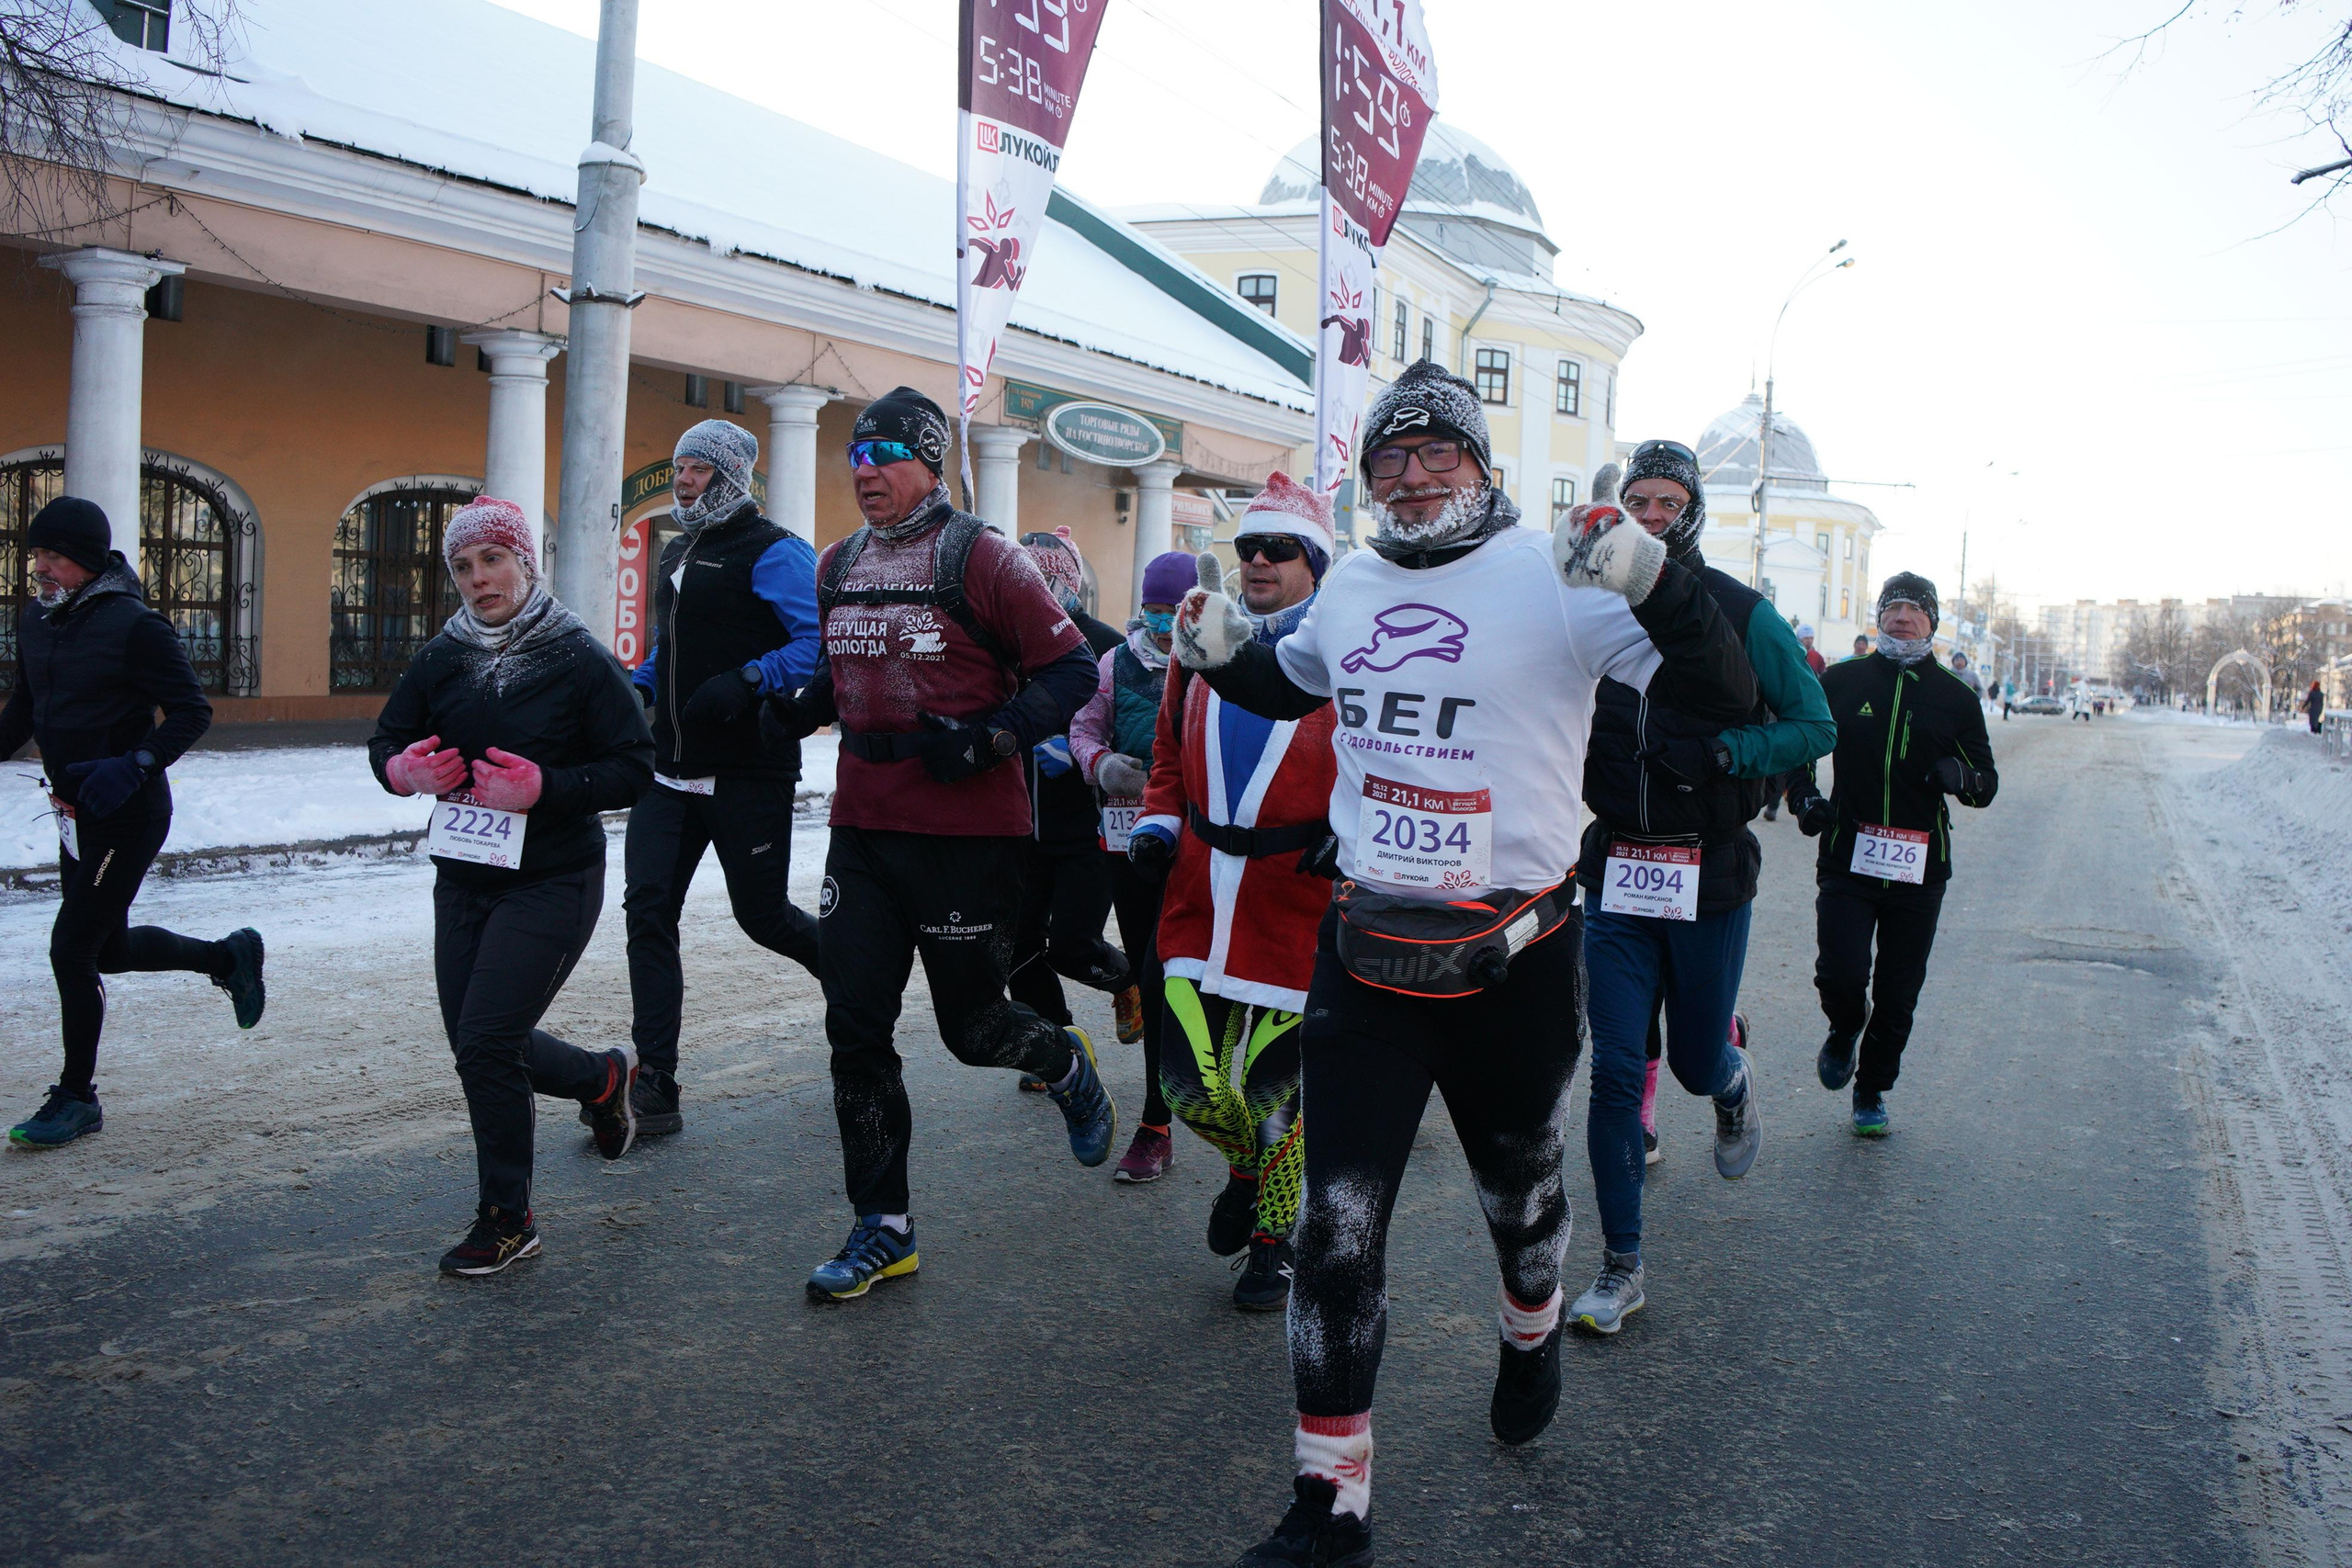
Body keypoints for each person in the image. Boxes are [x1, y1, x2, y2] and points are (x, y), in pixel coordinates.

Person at [1176, 361, 1758, 1564]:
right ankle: (1329, 1498)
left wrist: (1654, 576)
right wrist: (1220, 642)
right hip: (1368, 956)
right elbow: (1283, 681)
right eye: (1390, 458)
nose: (1411, 476)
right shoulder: (1355, 585)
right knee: (1338, 1228)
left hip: (1516, 962)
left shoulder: (1557, 575)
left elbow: (1723, 688)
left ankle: (1531, 1322)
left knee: (1520, 1200)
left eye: (1439, 453)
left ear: (1483, 465)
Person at [760, 387, 1114, 1303]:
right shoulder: (837, 563)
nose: (866, 473)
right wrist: (777, 714)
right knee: (854, 1030)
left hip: (968, 833)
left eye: (884, 455)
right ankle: (884, 1227)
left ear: (929, 461)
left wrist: (993, 737)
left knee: (971, 1031)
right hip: (864, 829)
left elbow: (1071, 668)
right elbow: (844, 684)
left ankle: (1063, 1062)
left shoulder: (982, 556)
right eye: (855, 457)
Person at [1566, 440, 1834, 1336]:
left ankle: (1728, 1082)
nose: (1648, 516)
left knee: (1687, 1063)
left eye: (1665, 503)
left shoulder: (1740, 612)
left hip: (1705, 871)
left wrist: (1729, 753)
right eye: (1634, 500)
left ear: (1692, 514)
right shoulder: (1589, 606)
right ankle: (1619, 1267)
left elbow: (1812, 723)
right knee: (1610, 1070)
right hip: (1615, 867)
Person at [369, 498, 655, 1275]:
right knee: (478, 1043)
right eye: (462, 567)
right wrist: (404, 771)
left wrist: (545, 787)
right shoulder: (444, 655)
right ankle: (602, 1077)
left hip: (553, 878)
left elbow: (634, 762)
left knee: (487, 1042)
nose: (477, 579)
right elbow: (388, 738)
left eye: (492, 559)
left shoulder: (575, 655)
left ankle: (507, 1218)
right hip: (463, 877)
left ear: (526, 562)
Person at [1122, 477, 1335, 1309]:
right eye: (1248, 547)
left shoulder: (1341, 654)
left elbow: (1376, 765)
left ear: (1313, 563)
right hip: (1200, 898)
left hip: (1294, 907)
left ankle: (1274, 1249)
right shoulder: (1200, 635)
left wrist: (1347, 836)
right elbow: (1171, 754)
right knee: (1187, 1087)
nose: (1258, 562)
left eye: (1278, 549)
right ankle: (1247, 1168)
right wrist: (1158, 821)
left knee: (1276, 1097)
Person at [1, 497, 265, 1148]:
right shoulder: (37, 619)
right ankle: (227, 957)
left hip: (128, 811)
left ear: (87, 561)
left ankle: (76, 1096)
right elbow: (24, 708)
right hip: (74, 812)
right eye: (36, 554)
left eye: (53, 555)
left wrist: (138, 761)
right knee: (106, 950)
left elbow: (191, 710)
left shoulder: (134, 626)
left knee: (70, 950)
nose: (41, 566)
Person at [614, 420, 820, 1140]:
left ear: (731, 476)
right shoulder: (682, 548)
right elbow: (671, 649)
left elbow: (818, 644)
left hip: (746, 770)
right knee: (647, 912)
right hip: (669, 771)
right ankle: (658, 1085)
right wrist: (634, 691)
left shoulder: (777, 551)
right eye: (680, 467)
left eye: (698, 468)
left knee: (762, 918)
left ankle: (853, 982)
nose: (684, 479)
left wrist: (750, 678)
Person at [1786, 572, 1996, 1137]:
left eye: (1915, 608)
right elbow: (1799, 744)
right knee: (1841, 972)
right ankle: (1843, 1026)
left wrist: (1962, 776)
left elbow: (1986, 784)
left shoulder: (1956, 697)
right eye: (1893, 606)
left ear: (1932, 621)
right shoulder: (1843, 682)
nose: (1903, 615)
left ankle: (1873, 1089)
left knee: (1899, 993)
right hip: (1849, 856)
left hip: (1920, 869)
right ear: (1879, 618)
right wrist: (1804, 794)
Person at [1067, 547, 1199, 1181]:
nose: (1166, 621)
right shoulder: (1116, 662)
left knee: (1196, 979)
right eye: (1156, 608)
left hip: (1200, 842)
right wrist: (1101, 765)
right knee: (1151, 972)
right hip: (1127, 839)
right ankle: (1156, 1122)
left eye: (1179, 609)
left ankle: (1251, 1123)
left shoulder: (1218, 662)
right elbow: (1083, 727)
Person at [1005, 528, 1145, 1098]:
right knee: (1016, 948)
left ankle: (1129, 978)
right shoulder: (1004, 644)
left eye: (1047, 583)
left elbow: (1132, 725)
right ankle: (1056, 1049)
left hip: (1088, 826)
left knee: (1071, 945)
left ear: (1068, 583)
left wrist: (1086, 752)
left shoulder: (1106, 646)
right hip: (1016, 825)